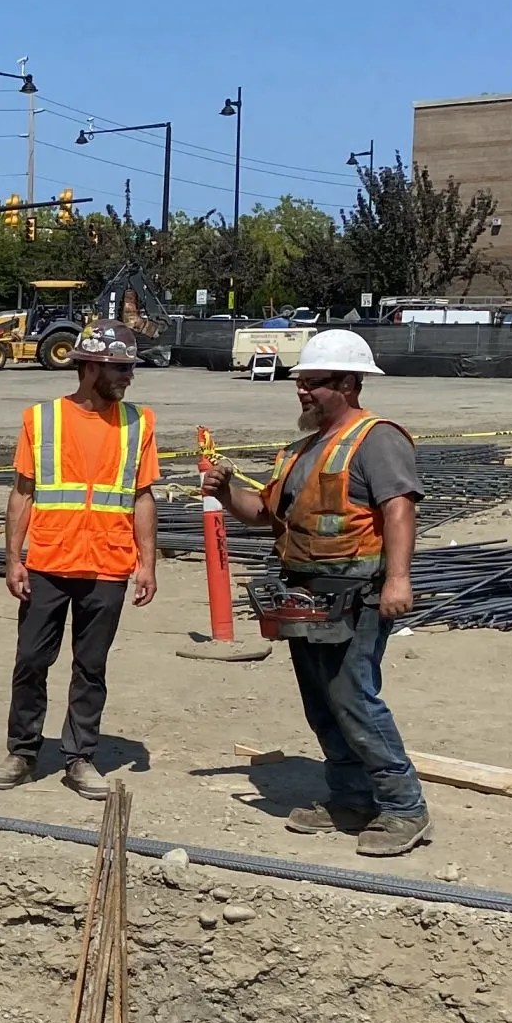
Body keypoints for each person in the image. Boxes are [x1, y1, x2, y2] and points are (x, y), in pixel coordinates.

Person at [201, 328, 431, 856]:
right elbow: (265, 514)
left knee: (353, 696)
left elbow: (399, 508)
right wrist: (227, 491)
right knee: (322, 701)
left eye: (313, 382)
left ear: (348, 383)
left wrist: (398, 579)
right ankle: (351, 797)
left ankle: (404, 807)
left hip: (357, 592)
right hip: (305, 592)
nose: (302, 390)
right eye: (300, 381)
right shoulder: (302, 449)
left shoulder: (377, 439)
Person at [0, 322, 160, 801]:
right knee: (30, 660)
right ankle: (22, 753)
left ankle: (79, 758)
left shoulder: (139, 423)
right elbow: (23, 492)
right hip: (48, 561)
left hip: (108, 563)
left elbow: (143, 496)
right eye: (121, 368)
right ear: (92, 367)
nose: (129, 376)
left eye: (129, 368)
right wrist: (13, 558)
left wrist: (147, 563)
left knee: (90, 666)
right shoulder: (41, 420)